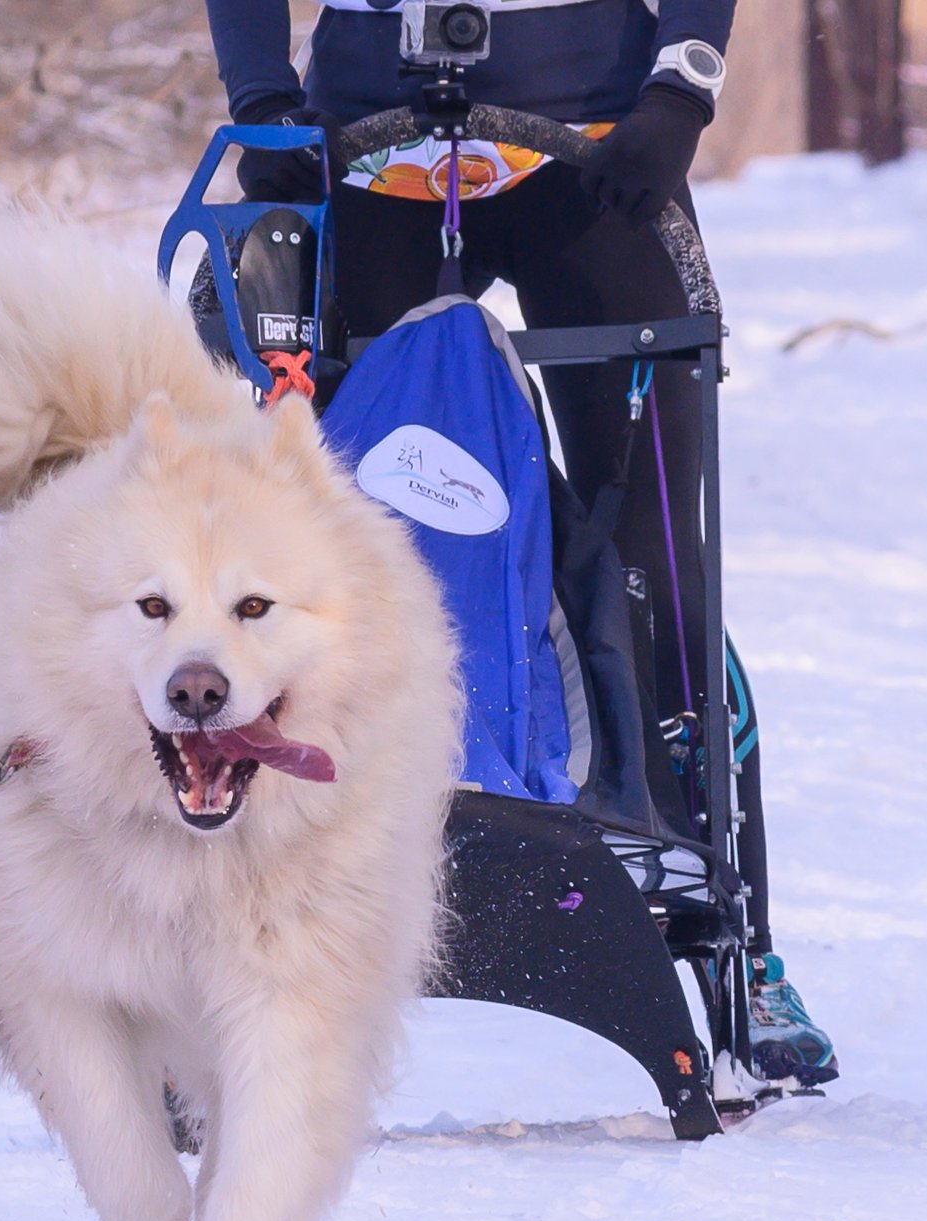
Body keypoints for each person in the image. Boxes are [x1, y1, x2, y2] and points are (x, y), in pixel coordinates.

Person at [204, 0, 837, 1086]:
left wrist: (679, 92)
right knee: (297, 550)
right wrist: (263, 100)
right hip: (362, 136)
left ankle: (738, 944)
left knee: (651, 558)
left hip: (593, 137)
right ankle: (231, 948)